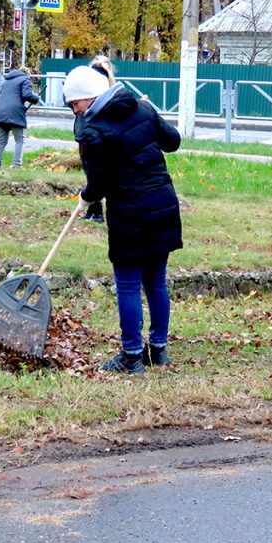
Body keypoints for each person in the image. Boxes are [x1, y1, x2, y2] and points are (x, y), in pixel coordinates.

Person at [64, 64, 182, 374]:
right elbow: (173, 141)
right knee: (155, 281)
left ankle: (132, 357)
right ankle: (158, 351)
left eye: (76, 103)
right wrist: (152, 115)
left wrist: (85, 197)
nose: (76, 110)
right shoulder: (143, 109)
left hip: (130, 213)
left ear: (91, 95)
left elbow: (98, 185)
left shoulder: (92, 133)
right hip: (163, 204)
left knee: (129, 285)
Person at [72, 56, 115, 223]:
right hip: (97, 134)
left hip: (88, 134)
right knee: (97, 173)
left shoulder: (90, 83)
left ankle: (96, 212)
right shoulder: (108, 84)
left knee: (93, 173)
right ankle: (95, 210)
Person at [0, 66, 40, 168]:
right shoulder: (25, 79)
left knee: (1, 140)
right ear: (27, 74)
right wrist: (36, 98)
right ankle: (17, 165)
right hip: (14, 112)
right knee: (20, 140)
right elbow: (27, 94)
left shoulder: (6, 81)